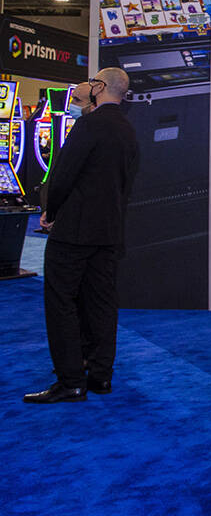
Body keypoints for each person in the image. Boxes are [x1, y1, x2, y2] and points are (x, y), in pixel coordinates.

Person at [24, 68, 140, 404]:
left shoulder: (89, 125)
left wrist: (51, 212)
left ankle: (70, 380)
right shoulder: (128, 129)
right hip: (109, 229)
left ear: (100, 87)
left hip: (74, 229)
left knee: (61, 301)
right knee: (101, 303)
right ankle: (100, 376)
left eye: (92, 80)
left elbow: (62, 175)